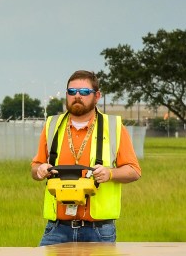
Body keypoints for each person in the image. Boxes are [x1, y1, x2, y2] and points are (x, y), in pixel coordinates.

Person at [31, 70, 140, 244]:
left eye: (84, 92)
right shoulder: (52, 125)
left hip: (98, 231)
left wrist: (109, 173)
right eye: (72, 92)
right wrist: (40, 170)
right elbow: (35, 167)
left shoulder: (114, 127)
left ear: (97, 96)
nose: (77, 96)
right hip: (57, 228)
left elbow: (134, 171)